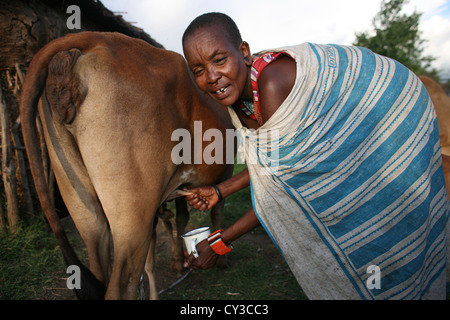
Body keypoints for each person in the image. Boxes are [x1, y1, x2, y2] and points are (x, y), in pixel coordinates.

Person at [181, 12, 449, 299]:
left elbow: (279, 193)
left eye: (219, 60)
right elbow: (272, 168)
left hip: (389, 109)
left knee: (385, 211)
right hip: (369, 115)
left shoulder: (271, 85)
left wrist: (219, 243)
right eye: (197, 70)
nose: (211, 76)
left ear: (244, 52)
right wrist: (219, 191)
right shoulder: (241, 99)